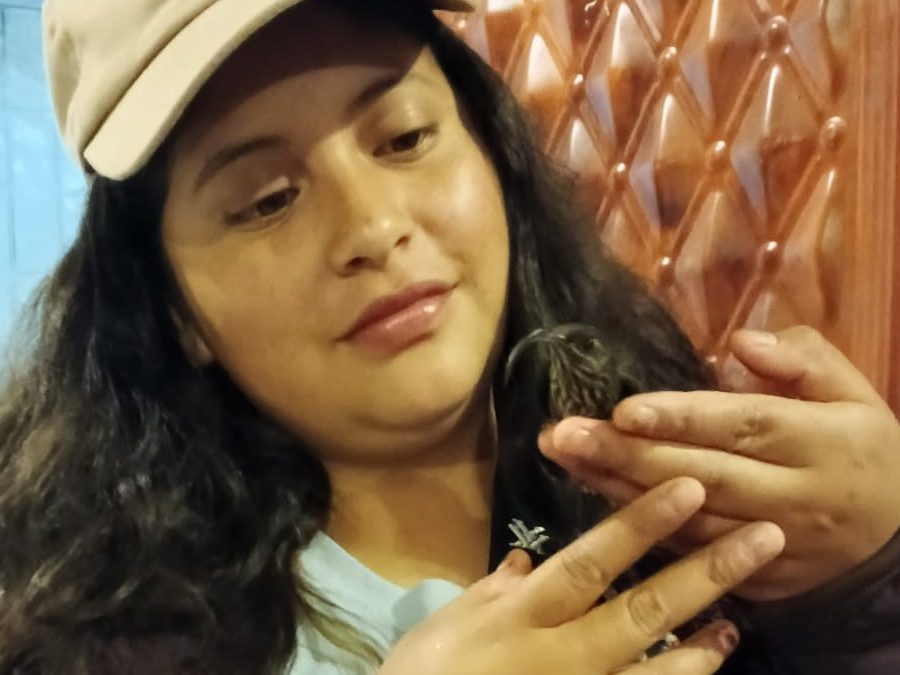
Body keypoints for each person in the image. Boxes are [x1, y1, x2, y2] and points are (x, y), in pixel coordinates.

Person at [0, 0, 897, 672]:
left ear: (492, 155)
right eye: (268, 201)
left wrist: (871, 581)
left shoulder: (676, 469)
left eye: (404, 138)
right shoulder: (82, 626)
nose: (373, 227)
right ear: (173, 311)